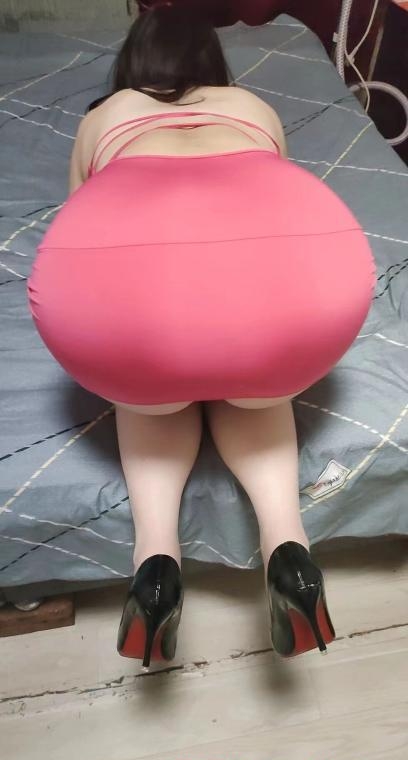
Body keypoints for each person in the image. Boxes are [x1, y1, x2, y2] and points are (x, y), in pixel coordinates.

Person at [27, 4, 376, 667]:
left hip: (131, 324)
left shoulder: (104, 116)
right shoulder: (252, 107)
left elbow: (80, 214)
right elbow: (269, 209)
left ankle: (156, 560)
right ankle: (289, 548)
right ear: (213, 64)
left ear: (133, 63)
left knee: (149, 392)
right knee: (257, 383)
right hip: (299, 307)